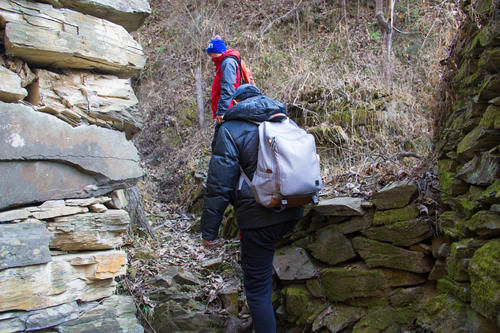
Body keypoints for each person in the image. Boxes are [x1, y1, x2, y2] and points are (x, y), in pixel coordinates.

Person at [200, 84, 304, 333]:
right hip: (294, 209)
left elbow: (219, 185)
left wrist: (209, 232)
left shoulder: (229, 129)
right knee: (266, 271)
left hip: (258, 218)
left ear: (236, 104)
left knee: (257, 290)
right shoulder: (285, 121)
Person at [206, 35, 243, 150]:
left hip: (228, 111)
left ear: (218, 51)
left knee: (220, 147)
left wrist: (221, 111)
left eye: (212, 53)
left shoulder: (227, 63)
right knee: (219, 145)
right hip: (228, 109)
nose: (211, 57)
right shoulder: (224, 62)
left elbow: (228, 87)